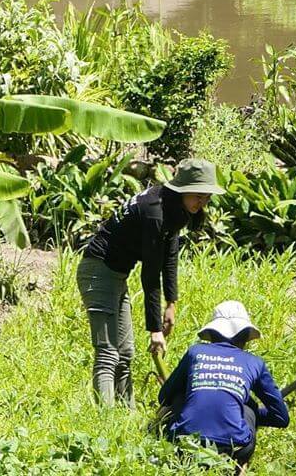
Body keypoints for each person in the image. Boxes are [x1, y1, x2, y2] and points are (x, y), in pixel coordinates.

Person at [76, 158, 222, 406]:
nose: (202, 202)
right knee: (108, 354)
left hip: (117, 276)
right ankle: (104, 424)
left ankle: (126, 416)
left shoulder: (173, 208)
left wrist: (171, 303)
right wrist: (155, 330)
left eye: (206, 197)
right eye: (198, 195)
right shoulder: (155, 210)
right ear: (183, 189)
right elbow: (151, 275)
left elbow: (170, 257)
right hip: (97, 273)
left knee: (126, 353)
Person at [158, 300, 289, 471]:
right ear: (245, 337)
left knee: (182, 397)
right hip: (233, 449)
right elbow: (281, 417)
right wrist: (252, 411)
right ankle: (238, 467)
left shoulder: (195, 353)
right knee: (248, 407)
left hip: (183, 443)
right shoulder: (254, 362)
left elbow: (164, 396)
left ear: (212, 334)